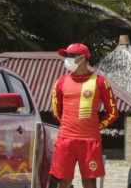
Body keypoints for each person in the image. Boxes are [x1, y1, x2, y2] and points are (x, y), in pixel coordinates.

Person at [50, 43, 119, 188]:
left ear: (81, 58)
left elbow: (113, 113)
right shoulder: (61, 82)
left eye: (69, 56)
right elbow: (56, 112)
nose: (66, 60)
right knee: (63, 181)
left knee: (89, 182)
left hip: (89, 142)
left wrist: (95, 127)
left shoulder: (100, 82)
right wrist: (68, 125)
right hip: (65, 140)